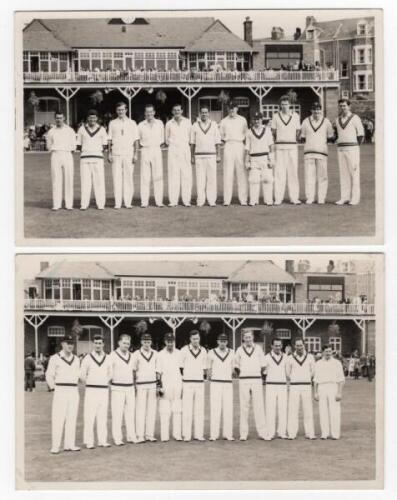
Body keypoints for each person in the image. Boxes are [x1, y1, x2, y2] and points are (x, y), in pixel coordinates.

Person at [45, 335, 81, 454]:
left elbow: (78, 375)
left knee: (72, 418)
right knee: (58, 418)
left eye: (72, 343)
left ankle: (69, 444)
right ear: (62, 344)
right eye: (67, 343)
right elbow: (49, 375)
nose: (70, 345)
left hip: (73, 390)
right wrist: (54, 388)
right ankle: (55, 446)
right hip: (60, 389)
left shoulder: (76, 359)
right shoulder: (55, 358)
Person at [80, 334, 112, 449]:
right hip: (91, 390)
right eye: (96, 343)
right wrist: (91, 382)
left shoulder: (108, 358)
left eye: (100, 343)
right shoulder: (87, 358)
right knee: (89, 416)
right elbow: (82, 375)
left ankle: (102, 440)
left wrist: (103, 381)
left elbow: (110, 373)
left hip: (103, 390)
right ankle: (89, 441)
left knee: (102, 416)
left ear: (103, 344)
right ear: (93, 344)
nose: (98, 345)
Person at [234, 330, 266, 440]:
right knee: (244, 407)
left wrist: (258, 375)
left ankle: (262, 432)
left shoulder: (258, 349)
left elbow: (263, 365)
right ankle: (243, 433)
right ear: (243, 339)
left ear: (253, 338)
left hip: (256, 380)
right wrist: (242, 374)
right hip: (244, 380)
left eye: (250, 337)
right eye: (246, 337)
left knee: (259, 406)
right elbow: (236, 365)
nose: (248, 339)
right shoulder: (239, 350)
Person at [299, 102, 334, 204]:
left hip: (322, 153)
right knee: (309, 176)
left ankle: (321, 198)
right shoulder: (306, 121)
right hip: (309, 153)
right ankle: (310, 197)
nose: (316, 111)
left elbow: (330, 137)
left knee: (322, 176)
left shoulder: (326, 122)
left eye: (318, 109)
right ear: (311, 110)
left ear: (321, 110)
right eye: (314, 109)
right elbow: (303, 137)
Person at [107, 102, 139, 209]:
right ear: (116, 111)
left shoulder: (132, 123)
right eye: (118, 110)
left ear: (126, 110)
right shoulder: (112, 123)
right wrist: (109, 153)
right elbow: (109, 140)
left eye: (122, 109)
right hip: (116, 153)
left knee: (128, 178)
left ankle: (128, 202)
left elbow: (136, 140)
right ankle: (118, 203)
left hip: (128, 153)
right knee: (116, 178)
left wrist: (135, 154)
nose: (121, 112)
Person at [271, 95, 301, 205]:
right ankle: (278, 198)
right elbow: (273, 131)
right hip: (280, 147)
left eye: (286, 104)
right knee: (279, 173)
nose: (284, 106)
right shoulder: (275, 116)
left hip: (292, 147)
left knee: (293, 173)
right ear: (280, 105)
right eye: (282, 104)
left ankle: (294, 198)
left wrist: (291, 139)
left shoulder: (296, 116)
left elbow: (298, 131)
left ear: (290, 105)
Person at [334, 99, 364, 205]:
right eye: (341, 106)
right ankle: (344, 197)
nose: (343, 108)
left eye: (344, 106)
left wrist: (355, 147)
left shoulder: (355, 118)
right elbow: (337, 135)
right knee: (343, 174)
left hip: (352, 150)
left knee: (354, 173)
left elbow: (361, 134)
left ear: (349, 106)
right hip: (341, 150)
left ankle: (355, 198)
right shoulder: (337, 120)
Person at [76, 109, 108, 210]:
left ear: (97, 118)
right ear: (87, 119)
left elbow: (105, 145)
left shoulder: (102, 129)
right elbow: (79, 145)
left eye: (94, 118)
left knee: (99, 182)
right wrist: (88, 151)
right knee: (85, 182)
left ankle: (100, 204)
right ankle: (84, 204)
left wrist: (96, 151)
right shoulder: (81, 129)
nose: (92, 119)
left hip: (98, 159)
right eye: (90, 118)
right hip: (85, 159)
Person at [109, 334, 137, 446]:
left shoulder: (132, 356)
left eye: (128, 343)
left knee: (130, 413)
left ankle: (131, 436)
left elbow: (134, 372)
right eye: (124, 343)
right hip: (117, 388)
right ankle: (117, 438)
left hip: (130, 387)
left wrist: (134, 385)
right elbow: (109, 372)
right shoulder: (112, 355)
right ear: (119, 343)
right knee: (117, 414)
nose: (126, 345)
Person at [190, 106, 222, 207]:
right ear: (200, 114)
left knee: (211, 179)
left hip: (211, 155)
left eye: (206, 112)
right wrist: (192, 156)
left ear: (209, 114)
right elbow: (192, 143)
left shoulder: (214, 124)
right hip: (199, 156)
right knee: (200, 179)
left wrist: (218, 155)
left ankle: (211, 200)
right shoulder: (195, 125)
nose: (204, 114)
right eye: (202, 112)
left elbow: (217, 141)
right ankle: (201, 200)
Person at [179, 330, 208, 441]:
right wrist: (187, 377)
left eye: (197, 338)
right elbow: (180, 367)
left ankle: (198, 434)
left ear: (199, 339)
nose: (196, 341)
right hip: (187, 383)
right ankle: (186, 434)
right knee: (187, 409)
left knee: (199, 410)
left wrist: (200, 377)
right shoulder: (184, 350)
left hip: (199, 383)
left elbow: (204, 368)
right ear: (190, 339)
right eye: (193, 339)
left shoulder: (204, 350)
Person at [46, 111, 77, 211]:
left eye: (61, 118)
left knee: (69, 179)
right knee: (56, 179)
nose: (59, 120)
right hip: (55, 154)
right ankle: (56, 204)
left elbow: (73, 145)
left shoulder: (70, 130)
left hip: (67, 154)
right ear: (55, 119)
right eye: (57, 118)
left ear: (64, 119)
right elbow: (49, 145)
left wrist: (66, 152)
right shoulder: (51, 131)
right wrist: (55, 151)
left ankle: (69, 204)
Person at [207, 333, 235, 441]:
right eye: (220, 341)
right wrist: (210, 378)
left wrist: (231, 373)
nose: (222, 343)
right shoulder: (211, 352)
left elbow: (233, 368)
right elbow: (208, 369)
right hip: (215, 383)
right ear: (217, 341)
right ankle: (214, 434)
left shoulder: (232, 352)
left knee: (228, 409)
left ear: (227, 342)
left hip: (228, 383)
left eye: (224, 341)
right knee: (215, 409)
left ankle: (228, 434)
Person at [286, 338, 316, 439]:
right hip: (294, 386)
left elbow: (313, 371)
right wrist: (295, 379)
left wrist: (306, 378)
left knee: (308, 409)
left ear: (304, 345)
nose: (299, 347)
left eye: (301, 345)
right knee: (293, 410)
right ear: (295, 346)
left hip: (306, 385)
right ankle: (292, 433)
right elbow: (287, 372)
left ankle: (310, 433)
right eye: (297, 345)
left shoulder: (310, 357)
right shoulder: (290, 358)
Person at [220, 100, 248, 206]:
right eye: (230, 108)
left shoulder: (242, 120)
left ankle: (243, 199)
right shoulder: (223, 121)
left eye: (233, 107)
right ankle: (227, 200)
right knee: (228, 172)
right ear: (227, 109)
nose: (231, 109)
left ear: (237, 108)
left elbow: (246, 134)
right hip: (228, 145)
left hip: (239, 145)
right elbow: (221, 135)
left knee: (241, 172)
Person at [314, 345, 345, 439]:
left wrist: (339, 392)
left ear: (332, 352)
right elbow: (316, 380)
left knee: (335, 411)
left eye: (329, 351)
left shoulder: (337, 363)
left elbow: (341, 379)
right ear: (322, 352)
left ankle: (335, 434)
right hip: (322, 387)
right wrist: (315, 392)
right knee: (323, 411)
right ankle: (325, 433)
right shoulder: (318, 363)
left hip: (333, 386)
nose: (328, 353)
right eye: (326, 351)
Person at [156, 332, 183, 442]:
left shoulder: (179, 353)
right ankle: (164, 435)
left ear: (174, 341)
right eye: (168, 341)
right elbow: (158, 372)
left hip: (177, 384)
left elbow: (182, 370)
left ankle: (177, 434)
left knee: (177, 410)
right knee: (164, 411)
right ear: (165, 342)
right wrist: (159, 386)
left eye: (171, 341)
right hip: (165, 384)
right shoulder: (160, 354)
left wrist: (183, 385)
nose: (170, 343)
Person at [132, 333, 158, 442]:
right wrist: (134, 385)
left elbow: (158, 370)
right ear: (141, 342)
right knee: (140, 410)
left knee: (151, 411)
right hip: (141, 384)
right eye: (144, 341)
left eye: (148, 341)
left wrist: (158, 385)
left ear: (151, 342)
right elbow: (133, 370)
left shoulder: (155, 353)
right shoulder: (136, 354)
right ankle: (140, 435)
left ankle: (149, 434)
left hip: (152, 384)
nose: (146, 343)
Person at [245, 111, 275, 206]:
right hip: (254, 158)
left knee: (267, 179)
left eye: (258, 119)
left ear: (261, 120)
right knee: (254, 180)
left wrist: (272, 159)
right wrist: (247, 161)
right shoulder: (249, 132)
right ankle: (253, 200)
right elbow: (247, 148)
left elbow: (271, 145)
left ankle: (268, 200)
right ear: (253, 120)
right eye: (255, 119)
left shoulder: (267, 130)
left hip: (265, 157)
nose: (256, 121)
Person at [138, 104, 165, 207]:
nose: (149, 114)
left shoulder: (160, 123)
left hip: (156, 150)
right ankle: (144, 202)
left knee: (158, 177)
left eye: (151, 112)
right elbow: (139, 139)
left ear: (154, 112)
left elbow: (162, 138)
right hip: (145, 150)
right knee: (145, 177)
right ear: (145, 113)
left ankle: (159, 201)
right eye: (147, 112)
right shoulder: (140, 125)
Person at [165, 104, 192, 207]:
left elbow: (190, 138)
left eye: (178, 110)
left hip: (185, 149)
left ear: (182, 111)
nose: (177, 112)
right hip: (173, 150)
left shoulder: (188, 122)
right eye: (175, 110)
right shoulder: (169, 124)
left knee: (186, 175)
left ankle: (186, 200)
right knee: (173, 175)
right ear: (172, 111)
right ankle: (173, 200)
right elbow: (166, 139)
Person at [263, 338, 288, 440]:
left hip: (282, 385)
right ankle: (270, 432)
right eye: (275, 345)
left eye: (279, 345)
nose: (277, 347)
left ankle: (281, 432)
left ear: (282, 346)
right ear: (272, 346)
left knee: (283, 409)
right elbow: (263, 372)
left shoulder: (286, 357)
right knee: (270, 409)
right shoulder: (266, 357)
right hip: (271, 385)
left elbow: (288, 372)